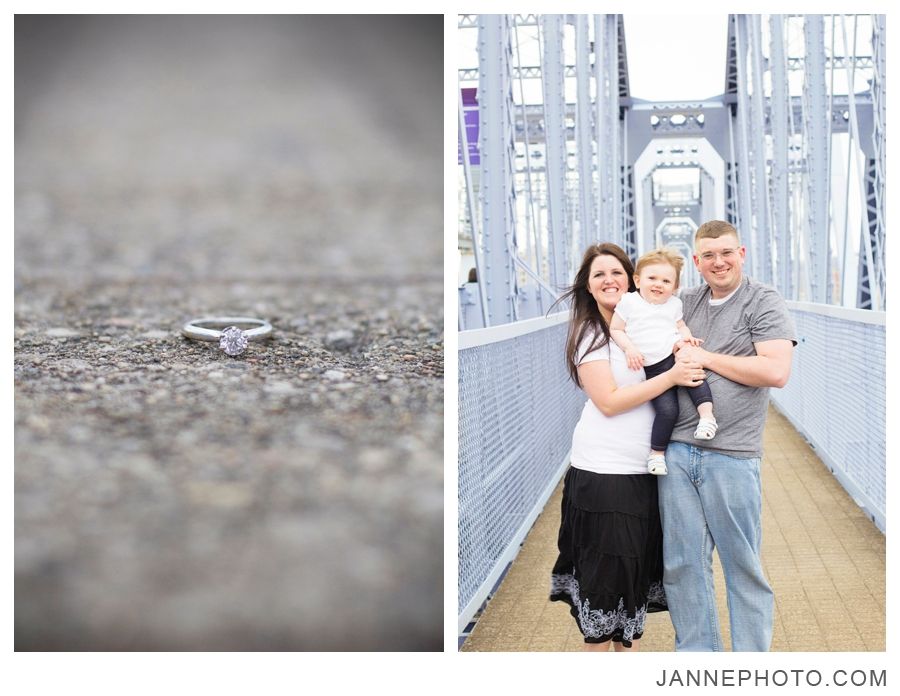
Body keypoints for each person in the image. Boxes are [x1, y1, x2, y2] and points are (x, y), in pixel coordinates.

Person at [548, 243, 707, 651]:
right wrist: (672, 378)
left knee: (631, 594)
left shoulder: (649, 321)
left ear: (631, 279)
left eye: (616, 272)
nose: (609, 280)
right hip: (604, 473)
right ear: (587, 283)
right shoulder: (592, 335)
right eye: (599, 274)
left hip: (646, 471)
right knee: (603, 595)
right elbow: (610, 401)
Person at [659, 220, 796, 652]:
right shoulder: (684, 301)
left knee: (743, 566)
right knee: (682, 565)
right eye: (708, 256)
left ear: (742, 253)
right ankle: (699, 663)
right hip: (678, 450)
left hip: (733, 454)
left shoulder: (763, 300)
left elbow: (775, 371)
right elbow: (635, 308)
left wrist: (704, 357)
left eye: (726, 253)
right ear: (696, 262)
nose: (718, 262)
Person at [610, 248, 717, 476]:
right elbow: (616, 329)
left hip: (672, 353)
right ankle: (657, 454)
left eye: (666, 281)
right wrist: (629, 347)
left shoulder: (674, 305)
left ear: (675, 287)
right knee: (668, 410)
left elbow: (679, 326)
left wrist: (685, 338)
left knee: (696, 377)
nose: (659, 284)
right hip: (652, 367)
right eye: (652, 278)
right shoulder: (629, 302)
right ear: (637, 281)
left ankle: (707, 418)